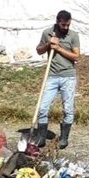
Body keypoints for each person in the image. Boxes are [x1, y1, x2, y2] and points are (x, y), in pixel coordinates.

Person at [34, 10, 80, 150]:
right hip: (52, 76)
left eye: (68, 25)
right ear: (57, 21)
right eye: (63, 25)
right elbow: (39, 50)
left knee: (68, 109)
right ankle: (41, 137)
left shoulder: (73, 35)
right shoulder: (47, 33)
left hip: (68, 76)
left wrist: (59, 48)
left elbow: (76, 56)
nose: (66, 27)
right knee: (42, 108)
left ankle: (64, 138)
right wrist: (49, 44)